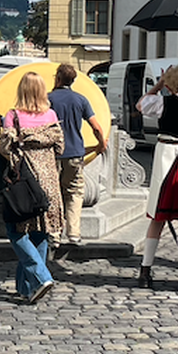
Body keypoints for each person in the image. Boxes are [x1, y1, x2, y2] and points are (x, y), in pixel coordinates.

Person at [0, 72, 64, 302]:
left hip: (25, 180)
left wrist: (14, 135)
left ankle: (41, 276)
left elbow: (5, 147)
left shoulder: (13, 116)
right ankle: (27, 288)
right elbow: (60, 147)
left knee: (15, 230)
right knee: (40, 232)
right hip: (49, 180)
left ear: (21, 91)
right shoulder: (51, 115)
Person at [136, 63, 178, 289]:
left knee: (158, 215)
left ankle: (145, 270)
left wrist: (158, 86)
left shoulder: (162, 101)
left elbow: (141, 105)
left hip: (168, 155)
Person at [48, 63, 107, 245]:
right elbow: (96, 127)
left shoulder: (48, 99)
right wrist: (101, 143)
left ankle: (54, 234)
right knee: (74, 192)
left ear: (57, 78)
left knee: (53, 193)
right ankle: (74, 234)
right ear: (73, 80)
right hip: (75, 153)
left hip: (52, 153)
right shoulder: (81, 100)